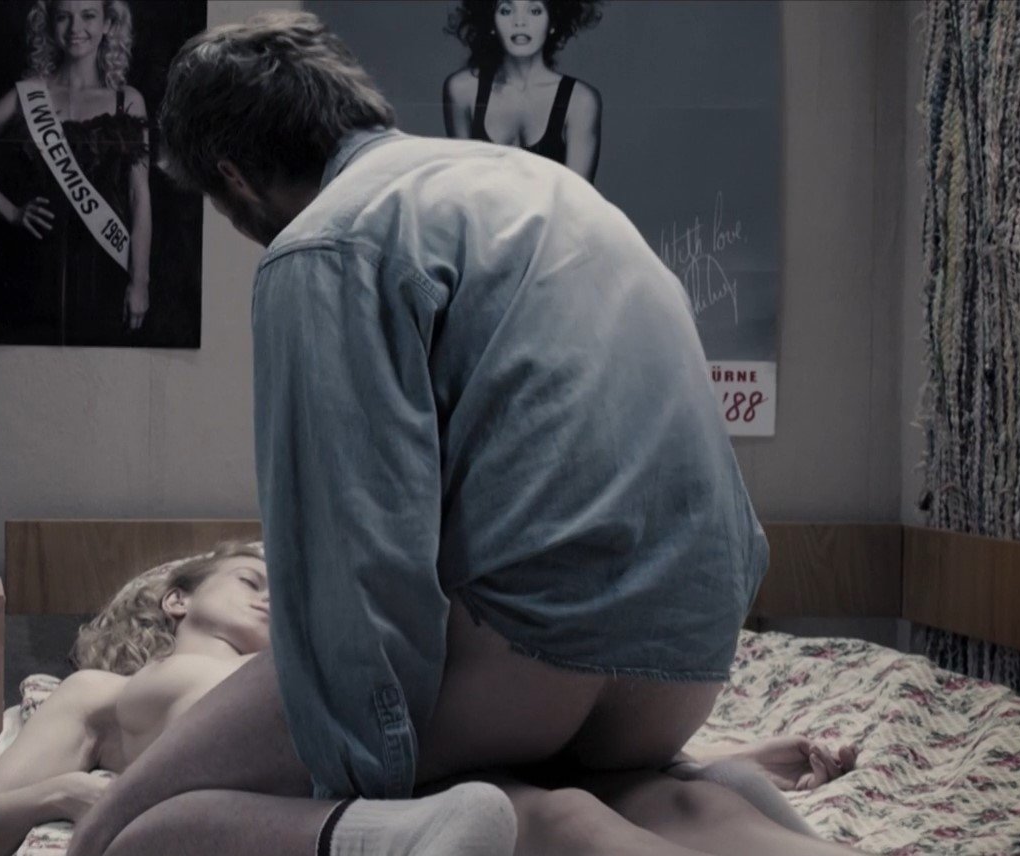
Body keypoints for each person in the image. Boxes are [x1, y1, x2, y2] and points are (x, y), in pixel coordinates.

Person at [62, 11, 855, 856]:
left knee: (148, 832)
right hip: (685, 665)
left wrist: (354, 774)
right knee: (572, 794)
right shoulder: (551, 189)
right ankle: (695, 807)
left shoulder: (325, 242)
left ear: (234, 178)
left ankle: (101, 844)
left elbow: (355, 571)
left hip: (530, 663)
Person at [0, 543, 862, 856]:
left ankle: (711, 796)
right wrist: (71, 793)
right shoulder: (103, 689)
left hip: (410, 763)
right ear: (177, 598)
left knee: (591, 806)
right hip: (297, 797)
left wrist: (716, 751)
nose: (273, 595)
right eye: (250, 577)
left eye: (288, 587)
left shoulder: (317, 661)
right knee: (548, 818)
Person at [0, 0, 155, 345]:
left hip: (104, 265)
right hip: (34, 266)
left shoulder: (128, 100)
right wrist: (12, 212)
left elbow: (139, 195)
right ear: (49, 25)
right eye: (63, 17)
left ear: (107, 24)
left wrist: (140, 281)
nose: (75, 29)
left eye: (88, 16)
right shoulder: (28, 95)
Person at [442, 0, 603, 183]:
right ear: (491, 22)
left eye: (534, 11)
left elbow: (576, 196)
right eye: (506, 11)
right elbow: (462, 189)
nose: (520, 22)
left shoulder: (580, 101)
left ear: (552, 22)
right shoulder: (462, 90)